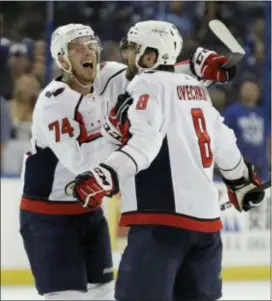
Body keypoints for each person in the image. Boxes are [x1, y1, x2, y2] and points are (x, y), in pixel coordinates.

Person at [20, 22, 237, 300]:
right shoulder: (54, 103)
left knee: (101, 293)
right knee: (67, 297)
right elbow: (80, 165)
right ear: (62, 59)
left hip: (90, 212)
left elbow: (153, 74)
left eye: (91, 45)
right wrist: (113, 130)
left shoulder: (110, 74)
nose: (88, 52)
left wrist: (195, 68)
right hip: (48, 217)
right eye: (77, 48)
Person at [70, 21, 266, 301]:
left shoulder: (145, 84)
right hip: (207, 232)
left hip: (160, 226)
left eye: (133, 50)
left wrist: (105, 176)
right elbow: (223, 142)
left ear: (149, 56)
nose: (127, 55)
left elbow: (144, 143)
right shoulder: (197, 89)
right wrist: (241, 181)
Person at [223, 80, 271, 181]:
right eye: (247, 89)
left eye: (254, 89)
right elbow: (223, 137)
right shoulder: (232, 112)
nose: (251, 92)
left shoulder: (262, 113)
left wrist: (269, 159)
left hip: (261, 164)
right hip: (240, 163)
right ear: (241, 91)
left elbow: (268, 137)